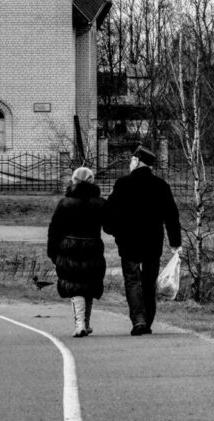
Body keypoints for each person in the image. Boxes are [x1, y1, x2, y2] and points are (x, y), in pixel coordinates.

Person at [103, 144, 181, 336]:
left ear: (137, 161)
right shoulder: (161, 185)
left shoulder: (123, 184)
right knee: (149, 281)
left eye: (131, 160)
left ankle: (138, 319)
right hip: (152, 242)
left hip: (128, 241)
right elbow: (171, 215)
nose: (130, 164)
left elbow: (111, 212)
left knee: (132, 280)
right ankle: (148, 319)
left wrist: (113, 230)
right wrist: (175, 242)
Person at [47, 166, 107, 337]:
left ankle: (79, 324)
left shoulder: (65, 203)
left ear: (73, 181)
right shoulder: (100, 203)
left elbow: (54, 229)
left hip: (69, 247)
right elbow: (110, 225)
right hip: (92, 247)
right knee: (89, 283)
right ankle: (85, 323)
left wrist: (52, 251)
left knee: (75, 286)